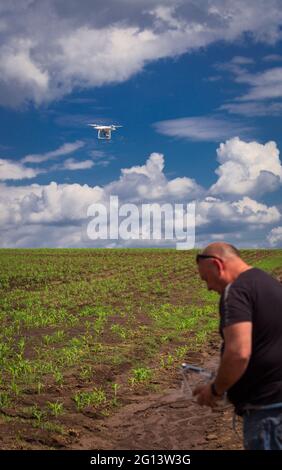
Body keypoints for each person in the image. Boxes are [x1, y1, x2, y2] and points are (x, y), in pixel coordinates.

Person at [193, 242, 282, 450]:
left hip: (269, 413)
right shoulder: (270, 284)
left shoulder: (236, 291)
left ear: (217, 264)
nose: (208, 287)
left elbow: (238, 352)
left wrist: (215, 390)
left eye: (206, 279)